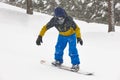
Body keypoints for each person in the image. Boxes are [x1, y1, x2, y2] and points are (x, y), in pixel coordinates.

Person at [36, 7, 83, 72]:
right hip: (62, 36)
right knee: (58, 48)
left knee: (72, 50)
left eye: (62, 18)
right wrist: (40, 36)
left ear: (64, 16)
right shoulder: (54, 21)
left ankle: (75, 64)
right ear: (56, 17)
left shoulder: (69, 20)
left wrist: (78, 37)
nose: (61, 19)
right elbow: (45, 28)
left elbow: (77, 28)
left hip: (71, 36)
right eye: (59, 18)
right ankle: (58, 60)